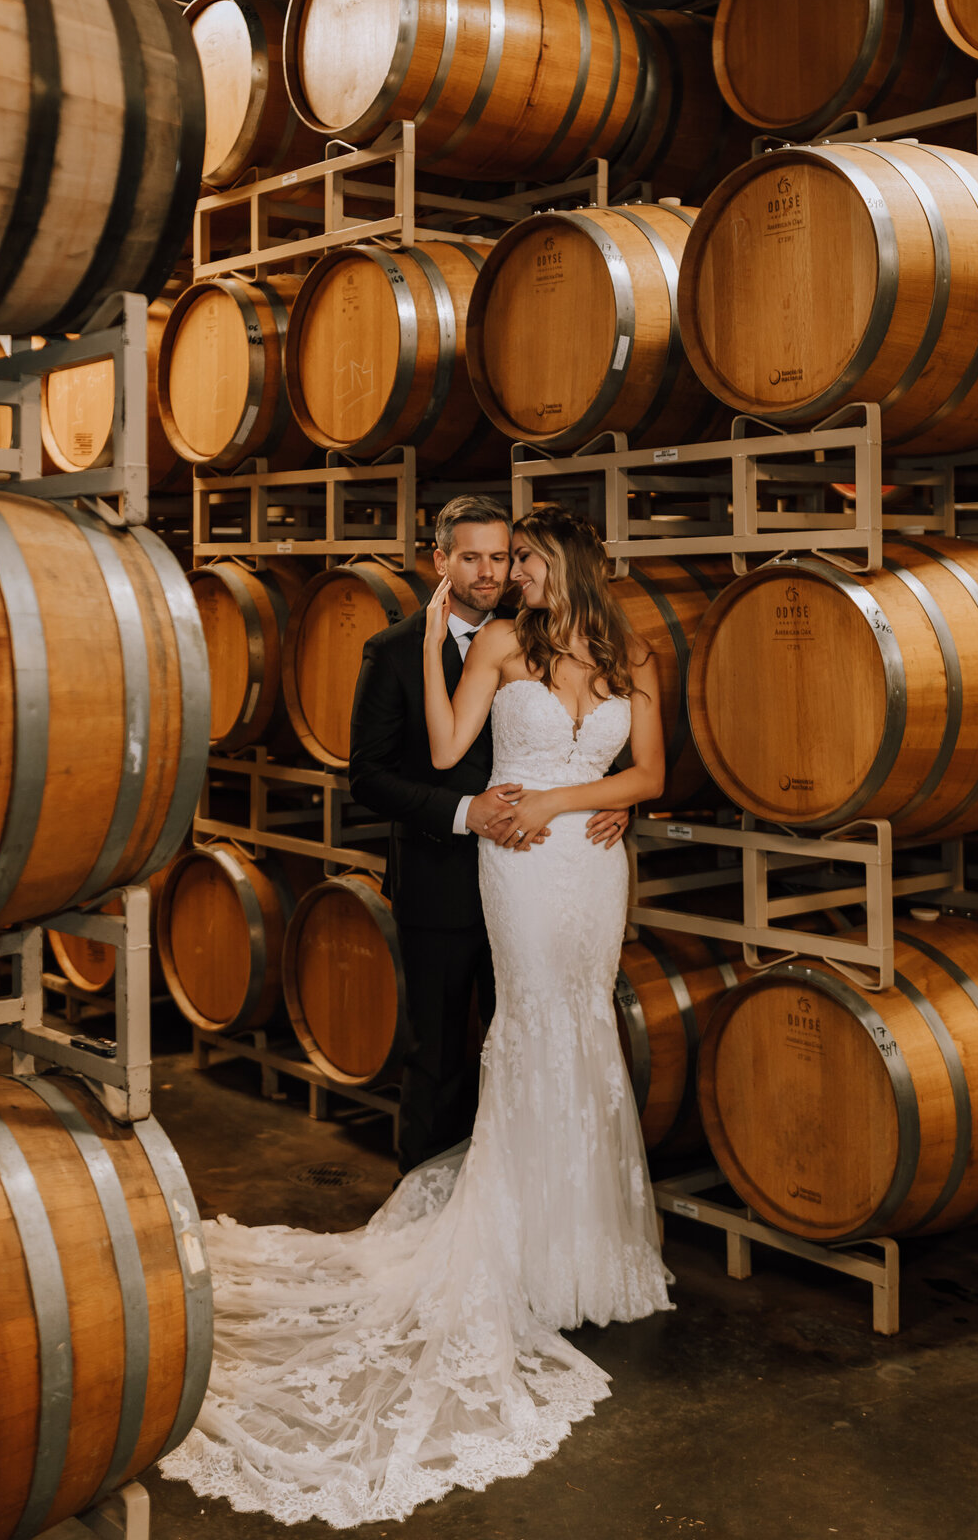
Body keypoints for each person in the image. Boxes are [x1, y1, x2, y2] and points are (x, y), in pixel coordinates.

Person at [160, 504, 672, 1529]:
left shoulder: (635, 652)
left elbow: (651, 773)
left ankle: (591, 1247)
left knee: (586, 1028)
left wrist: (582, 801)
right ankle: (515, 1248)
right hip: (512, 871)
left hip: (588, 864)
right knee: (524, 1031)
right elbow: (441, 746)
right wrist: (451, 652)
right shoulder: (491, 639)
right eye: (491, 559)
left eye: (521, 557)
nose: (506, 573)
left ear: (563, 564)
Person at [348, 493, 628, 1174]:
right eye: (470, 557)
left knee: (537, 1049)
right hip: (444, 882)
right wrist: (462, 811)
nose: (489, 571)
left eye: (501, 556)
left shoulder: (536, 633)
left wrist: (615, 804)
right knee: (439, 1056)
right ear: (438, 559)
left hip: (544, 881)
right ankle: (429, 1208)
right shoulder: (391, 652)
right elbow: (368, 777)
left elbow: (589, 743)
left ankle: (528, 1203)